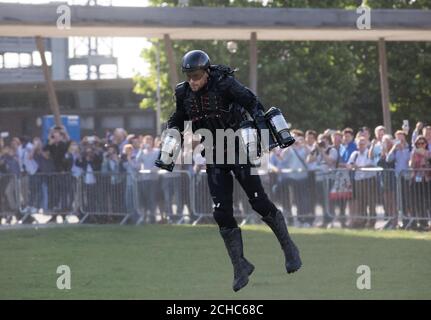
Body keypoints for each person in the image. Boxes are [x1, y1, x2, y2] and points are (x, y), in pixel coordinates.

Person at [161, 50, 301, 292]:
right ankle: (240, 266)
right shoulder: (183, 92)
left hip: (239, 148)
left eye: (196, 76)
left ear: (206, 72)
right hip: (213, 153)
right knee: (220, 212)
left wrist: (260, 127)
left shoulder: (225, 83)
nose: (192, 81)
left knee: (258, 201)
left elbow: (252, 101)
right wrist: (171, 132)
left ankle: (288, 246)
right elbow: (180, 117)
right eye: (189, 76)